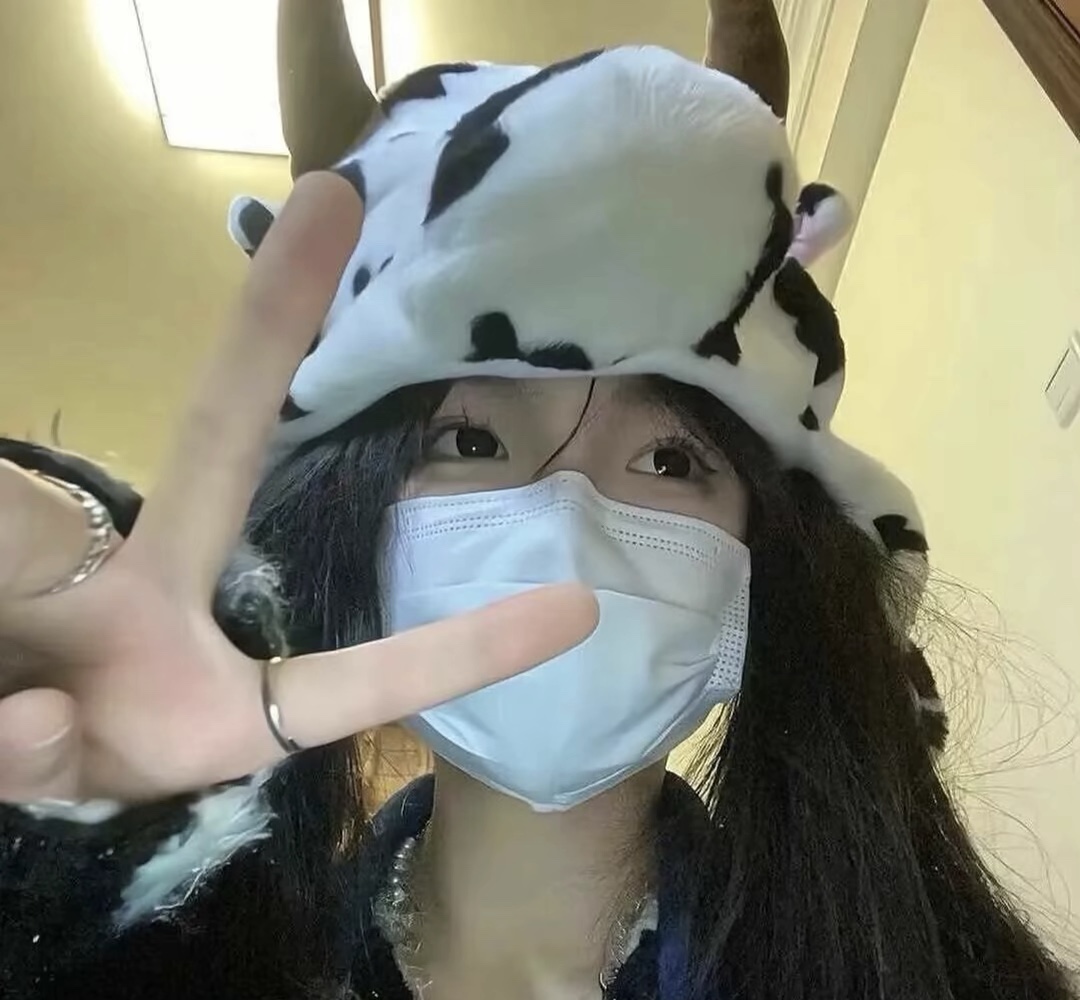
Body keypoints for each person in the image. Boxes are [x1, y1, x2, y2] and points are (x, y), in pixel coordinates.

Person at [0, 5, 1073, 1000]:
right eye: (471, 441)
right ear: (355, 526)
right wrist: (78, 856)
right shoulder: (208, 965)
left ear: (769, 558)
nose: (567, 517)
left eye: (670, 458)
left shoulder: (925, 973)